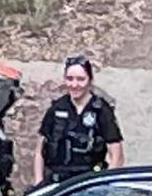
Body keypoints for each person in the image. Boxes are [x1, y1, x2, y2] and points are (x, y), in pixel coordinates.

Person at [33, 54, 124, 186]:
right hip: (56, 184)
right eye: (70, 79)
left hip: (88, 184)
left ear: (90, 80)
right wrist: (38, 182)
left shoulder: (101, 111)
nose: (74, 85)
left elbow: (117, 156)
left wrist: (104, 187)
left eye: (81, 79)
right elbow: (39, 151)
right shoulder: (57, 108)